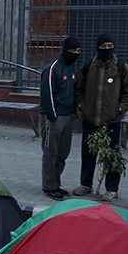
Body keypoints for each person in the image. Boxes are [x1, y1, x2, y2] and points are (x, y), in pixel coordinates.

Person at [73, 33, 128, 201]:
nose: (107, 49)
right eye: (103, 46)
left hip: (111, 121)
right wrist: (81, 106)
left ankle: (112, 189)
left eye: (110, 46)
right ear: (97, 47)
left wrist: (120, 109)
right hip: (90, 119)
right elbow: (78, 90)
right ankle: (85, 184)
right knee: (88, 154)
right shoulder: (87, 67)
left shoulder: (122, 68)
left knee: (111, 155)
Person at [39, 36, 81, 199]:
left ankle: (56, 183)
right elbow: (46, 95)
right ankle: (49, 186)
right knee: (51, 152)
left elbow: (72, 91)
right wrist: (52, 116)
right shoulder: (52, 69)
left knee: (63, 152)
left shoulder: (71, 68)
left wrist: (74, 110)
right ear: (65, 50)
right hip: (53, 118)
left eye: (78, 51)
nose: (76, 54)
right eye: (73, 51)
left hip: (68, 116)